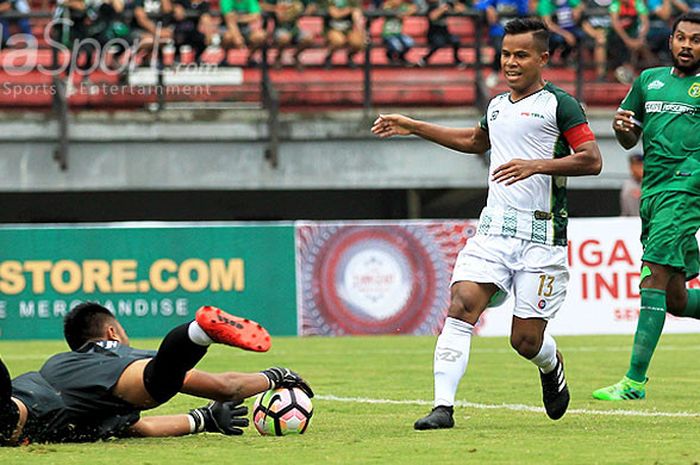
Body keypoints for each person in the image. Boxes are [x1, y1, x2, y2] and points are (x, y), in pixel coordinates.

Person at [372, 17, 602, 429]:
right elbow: (473, 142)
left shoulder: (560, 104)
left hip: (541, 236)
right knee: (461, 307)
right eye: (506, 54)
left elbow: (592, 159)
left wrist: (538, 165)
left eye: (521, 55)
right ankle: (443, 408)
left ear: (543, 58)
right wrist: (413, 125)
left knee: (525, 341)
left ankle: (551, 365)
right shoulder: (496, 106)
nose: (511, 62)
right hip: (494, 230)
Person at [0, 302, 313, 444]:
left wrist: (203, 420)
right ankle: (197, 334)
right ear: (111, 332)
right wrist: (275, 375)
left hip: (14, 405)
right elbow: (225, 387)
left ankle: (196, 334)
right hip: (11, 418)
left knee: (159, 379)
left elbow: (139, 428)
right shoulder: (122, 356)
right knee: (161, 379)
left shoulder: (58, 363)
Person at [592, 12, 700, 401]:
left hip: (686, 191)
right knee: (675, 298)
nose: (687, 45)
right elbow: (628, 138)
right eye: (681, 38)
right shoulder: (648, 81)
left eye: (696, 40)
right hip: (652, 193)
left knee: (652, 277)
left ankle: (634, 382)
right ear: (670, 40)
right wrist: (624, 131)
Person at [474, 0, 530, 87]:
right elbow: (479, 4)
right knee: (499, 50)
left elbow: (524, 11)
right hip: (498, 31)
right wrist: (488, 8)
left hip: (515, 31)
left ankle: (520, 76)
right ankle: (494, 73)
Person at [416, 0, 467, 68]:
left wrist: (456, 5)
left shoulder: (447, 3)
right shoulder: (431, 4)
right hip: (434, 32)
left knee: (455, 39)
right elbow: (432, 17)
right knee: (439, 43)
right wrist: (442, 9)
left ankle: (457, 59)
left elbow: (461, 9)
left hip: (444, 32)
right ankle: (424, 59)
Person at [381, 0, 417, 65]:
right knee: (397, 46)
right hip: (388, 34)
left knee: (410, 42)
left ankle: (401, 57)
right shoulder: (388, 6)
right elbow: (385, 7)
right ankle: (389, 55)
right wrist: (401, 14)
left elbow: (414, 8)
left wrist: (406, 13)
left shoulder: (402, 7)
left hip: (398, 34)